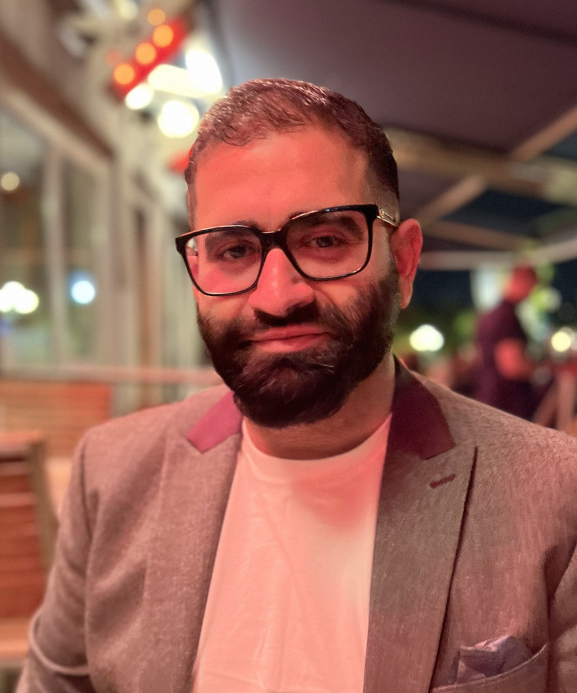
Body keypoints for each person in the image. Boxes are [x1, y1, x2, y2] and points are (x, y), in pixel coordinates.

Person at [18, 80, 577, 692]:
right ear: (197, 272)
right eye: (234, 249)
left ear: (404, 262)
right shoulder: (111, 474)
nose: (278, 296)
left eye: (326, 240)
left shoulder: (554, 498)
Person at [473, 265, 545, 420]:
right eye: (532, 286)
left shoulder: (489, 316)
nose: (531, 293)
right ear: (523, 281)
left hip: (489, 397)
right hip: (508, 405)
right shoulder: (507, 317)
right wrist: (547, 368)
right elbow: (512, 366)